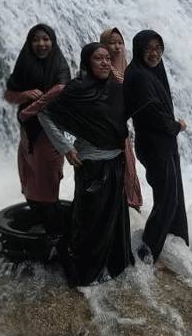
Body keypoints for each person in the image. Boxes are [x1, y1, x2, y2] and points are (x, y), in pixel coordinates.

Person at [38, 42, 134, 286]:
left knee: (113, 217)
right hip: (92, 164)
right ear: (87, 62)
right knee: (91, 220)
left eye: (107, 58)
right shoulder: (76, 90)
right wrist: (65, 148)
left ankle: (111, 265)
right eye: (98, 58)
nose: (105, 62)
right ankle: (84, 270)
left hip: (115, 161)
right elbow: (45, 114)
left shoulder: (115, 88)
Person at [123, 30, 189, 263]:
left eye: (158, 48)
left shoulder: (150, 71)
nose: (154, 53)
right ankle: (147, 251)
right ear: (139, 49)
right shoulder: (139, 76)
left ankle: (171, 239)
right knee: (168, 199)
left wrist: (172, 129)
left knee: (171, 196)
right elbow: (151, 113)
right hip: (155, 146)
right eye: (149, 48)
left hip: (163, 144)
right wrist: (176, 126)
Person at [4, 24, 71, 235]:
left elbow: (62, 91)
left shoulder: (59, 64)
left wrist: (30, 109)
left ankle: (55, 235)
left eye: (45, 39)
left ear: (53, 41)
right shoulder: (24, 62)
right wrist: (24, 95)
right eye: (36, 40)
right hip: (28, 134)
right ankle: (43, 226)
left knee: (48, 184)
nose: (41, 44)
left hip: (49, 133)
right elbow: (9, 95)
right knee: (30, 180)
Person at [99, 27, 143, 211]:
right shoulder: (99, 67)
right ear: (103, 45)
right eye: (112, 43)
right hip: (103, 125)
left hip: (120, 124)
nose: (117, 47)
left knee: (127, 161)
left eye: (120, 43)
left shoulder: (127, 67)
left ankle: (130, 200)